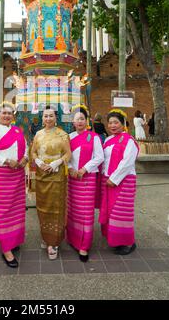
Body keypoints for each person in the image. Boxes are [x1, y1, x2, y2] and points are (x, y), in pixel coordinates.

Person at [0, 101, 28, 268]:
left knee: (16, 209)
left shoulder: (18, 131)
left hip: (17, 173)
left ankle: (14, 239)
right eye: (4, 113)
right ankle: (5, 248)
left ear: (13, 116)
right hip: (2, 174)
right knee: (2, 210)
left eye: (10, 113)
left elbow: (26, 148)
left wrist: (25, 158)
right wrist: (6, 160)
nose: (7, 116)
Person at [31, 106, 71, 260]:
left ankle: (54, 242)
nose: (48, 119)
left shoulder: (63, 134)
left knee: (56, 208)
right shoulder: (38, 134)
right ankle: (45, 236)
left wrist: (56, 163)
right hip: (42, 175)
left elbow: (68, 153)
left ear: (56, 117)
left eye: (51, 116)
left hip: (57, 175)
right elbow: (33, 151)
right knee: (43, 207)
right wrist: (39, 161)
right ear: (42, 118)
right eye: (45, 116)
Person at [99, 109, 139, 255]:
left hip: (123, 181)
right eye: (110, 123)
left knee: (121, 213)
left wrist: (114, 179)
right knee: (111, 212)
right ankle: (115, 240)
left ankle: (128, 242)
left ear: (123, 124)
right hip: (107, 180)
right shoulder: (108, 140)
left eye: (116, 122)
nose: (112, 125)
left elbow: (127, 162)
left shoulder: (129, 140)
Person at [66, 105, 104, 262]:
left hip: (87, 178)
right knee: (73, 210)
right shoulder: (68, 137)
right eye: (77, 119)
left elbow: (99, 157)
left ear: (86, 121)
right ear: (73, 122)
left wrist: (84, 169)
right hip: (72, 179)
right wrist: (70, 169)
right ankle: (73, 239)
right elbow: (65, 157)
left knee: (85, 212)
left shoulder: (93, 137)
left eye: (82, 119)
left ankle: (84, 245)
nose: (80, 121)